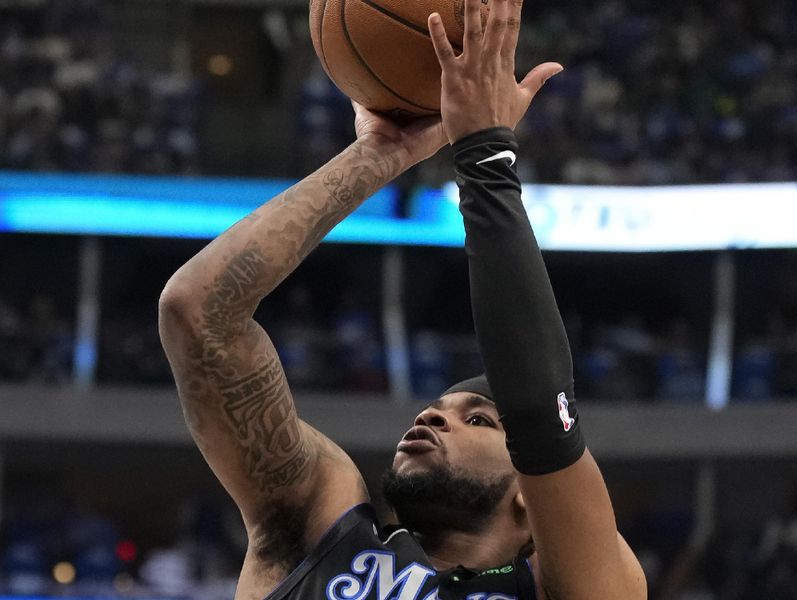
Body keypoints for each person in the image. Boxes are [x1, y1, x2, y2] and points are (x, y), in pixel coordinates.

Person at [158, 0, 647, 597]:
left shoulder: (577, 584)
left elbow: (541, 413)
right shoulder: (317, 527)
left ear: (531, 496)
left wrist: (486, 157)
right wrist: (377, 157)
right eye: (444, 407)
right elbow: (199, 313)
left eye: (478, 420)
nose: (434, 414)